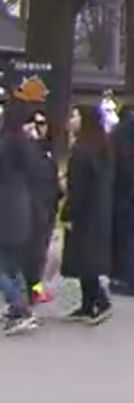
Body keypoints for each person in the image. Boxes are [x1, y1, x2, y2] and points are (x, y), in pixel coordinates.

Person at [61, 104, 116, 325]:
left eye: (74, 116)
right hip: (98, 211)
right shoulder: (101, 147)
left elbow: (78, 188)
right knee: (86, 258)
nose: (70, 120)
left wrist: (69, 213)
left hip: (84, 213)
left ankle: (100, 301)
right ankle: (87, 304)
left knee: (85, 259)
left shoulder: (82, 151)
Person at [0, 105, 41, 335]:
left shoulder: (5, 145)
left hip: (5, 211)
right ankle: (19, 306)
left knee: (4, 265)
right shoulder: (25, 145)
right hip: (21, 208)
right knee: (12, 266)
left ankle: (19, 307)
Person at [107, 100, 134, 297]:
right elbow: (132, 167)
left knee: (119, 238)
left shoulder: (117, 132)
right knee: (131, 239)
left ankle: (117, 277)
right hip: (128, 195)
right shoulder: (131, 133)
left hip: (117, 194)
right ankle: (131, 280)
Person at [22, 110, 60, 305]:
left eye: (42, 123)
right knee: (31, 253)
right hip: (29, 208)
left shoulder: (48, 149)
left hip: (48, 206)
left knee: (40, 252)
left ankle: (35, 287)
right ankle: (29, 290)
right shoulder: (25, 149)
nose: (39, 128)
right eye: (34, 123)